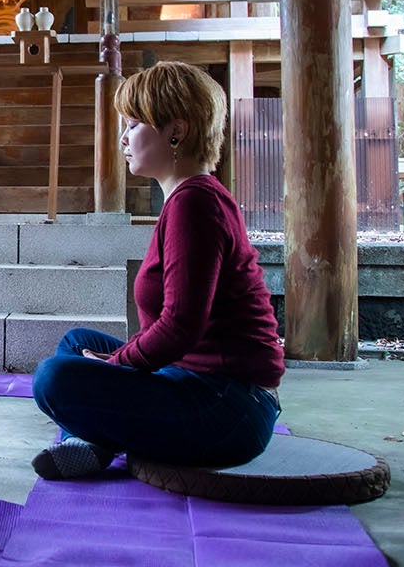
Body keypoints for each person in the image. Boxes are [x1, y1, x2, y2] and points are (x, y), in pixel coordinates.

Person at [31, 61, 284, 479]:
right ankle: (92, 442)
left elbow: (180, 325)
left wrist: (116, 364)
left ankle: (91, 440)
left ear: (176, 132)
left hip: (229, 405)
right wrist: (117, 360)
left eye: (132, 125)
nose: (123, 138)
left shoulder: (195, 203)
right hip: (192, 378)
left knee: (52, 378)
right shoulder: (187, 199)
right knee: (77, 343)